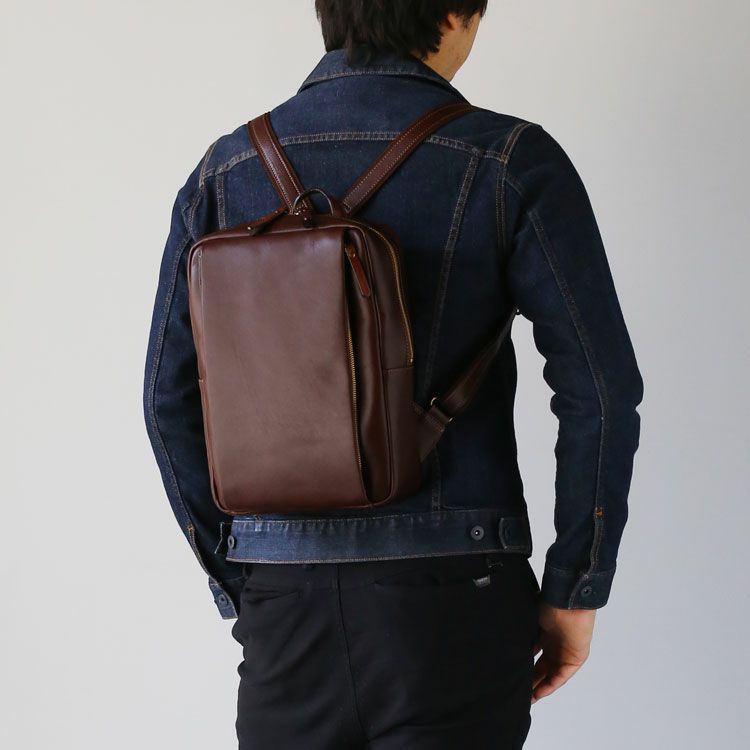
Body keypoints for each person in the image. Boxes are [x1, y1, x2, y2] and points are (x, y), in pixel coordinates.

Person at [142, 1, 643, 747]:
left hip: (284, 604)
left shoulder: (225, 169)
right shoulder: (508, 158)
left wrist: (243, 575)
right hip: (456, 592)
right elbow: (599, 390)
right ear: (455, 14)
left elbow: (167, 400)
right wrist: (577, 585)